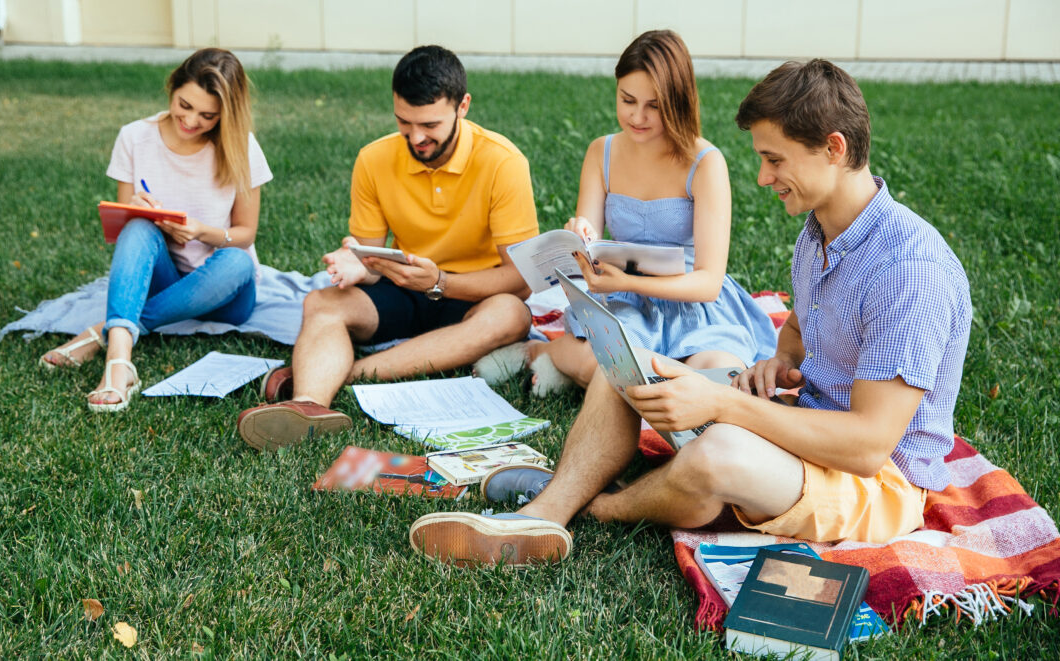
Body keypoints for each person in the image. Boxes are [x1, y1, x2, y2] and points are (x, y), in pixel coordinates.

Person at [409, 59, 972, 566]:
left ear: (833, 148)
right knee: (629, 362)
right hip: (805, 422)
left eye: (774, 160)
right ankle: (549, 511)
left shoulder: (908, 268)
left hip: (877, 479)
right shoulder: (822, 230)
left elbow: (869, 445)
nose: (762, 177)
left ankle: (598, 508)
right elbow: (800, 325)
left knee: (717, 454)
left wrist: (724, 402)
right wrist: (778, 362)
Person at [236, 45, 539, 451]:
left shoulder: (503, 162)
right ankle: (307, 406)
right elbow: (373, 258)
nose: (416, 137)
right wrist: (360, 264)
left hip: (473, 294)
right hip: (404, 285)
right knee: (322, 304)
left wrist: (441, 282)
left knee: (511, 316)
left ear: (462, 106)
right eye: (403, 121)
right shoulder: (374, 159)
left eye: (429, 124)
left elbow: (521, 281)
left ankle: (343, 373)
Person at [474, 29, 776, 395]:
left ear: (678, 102)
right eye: (627, 100)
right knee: (614, 370)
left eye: (654, 105)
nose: (637, 116)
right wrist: (581, 234)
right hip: (625, 304)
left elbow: (708, 283)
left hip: (692, 306)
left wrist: (629, 281)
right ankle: (542, 349)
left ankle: (579, 366)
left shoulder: (705, 162)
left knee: (719, 380)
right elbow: (589, 238)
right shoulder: (601, 152)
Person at [39, 48, 272, 413]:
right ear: (172, 87)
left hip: (227, 292)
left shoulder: (241, 146)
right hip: (164, 277)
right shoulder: (135, 137)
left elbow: (245, 234)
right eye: (185, 105)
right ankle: (119, 365)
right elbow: (123, 224)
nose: (191, 120)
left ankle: (105, 332)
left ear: (225, 114)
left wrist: (200, 231)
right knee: (136, 226)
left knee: (238, 262)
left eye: (208, 115)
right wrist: (148, 216)